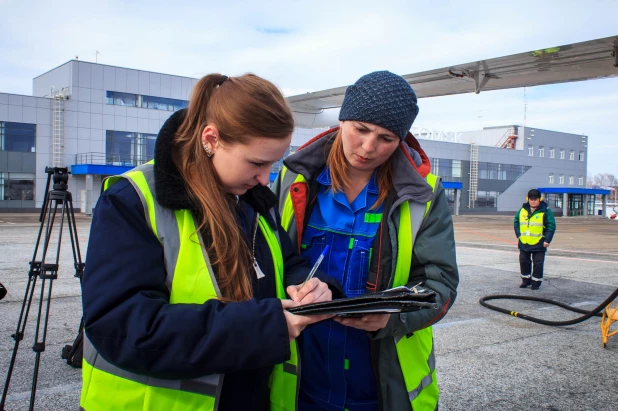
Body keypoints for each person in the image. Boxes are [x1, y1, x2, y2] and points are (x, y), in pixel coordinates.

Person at [80, 73, 343, 411]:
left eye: (273, 164)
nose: (266, 179)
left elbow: (286, 264)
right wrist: (262, 326)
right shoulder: (133, 201)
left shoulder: (254, 200)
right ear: (211, 139)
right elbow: (122, 326)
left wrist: (311, 286)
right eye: (257, 163)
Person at [273, 71, 459, 411]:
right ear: (342, 120)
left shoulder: (424, 195)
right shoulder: (292, 178)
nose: (369, 147)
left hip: (379, 381)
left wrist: (393, 318)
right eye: (360, 129)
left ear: (401, 140)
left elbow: (440, 284)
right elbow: (270, 258)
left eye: (386, 138)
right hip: (299, 376)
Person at [514, 189, 556, 290]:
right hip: (524, 242)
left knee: (538, 263)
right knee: (523, 261)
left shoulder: (545, 210)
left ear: (539, 199)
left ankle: (536, 282)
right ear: (528, 199)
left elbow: (551, 226)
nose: (533, 201)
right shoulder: (522, 210)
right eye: (531, 199)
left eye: (535, 199)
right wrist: (518, 234)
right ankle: (525, 280)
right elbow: (516, 222)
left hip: (539, 242)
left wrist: (547, 240)